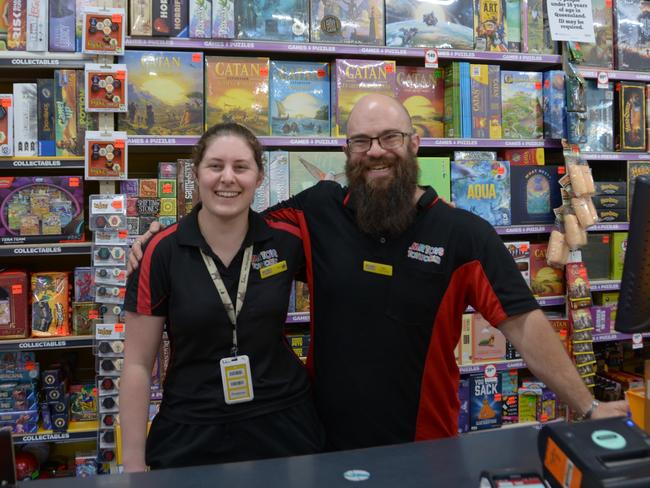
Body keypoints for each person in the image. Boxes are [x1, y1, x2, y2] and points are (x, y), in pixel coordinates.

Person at [130, 95, 628, 451]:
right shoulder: (315, 211)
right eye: (361, 141)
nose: (375, 151)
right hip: (319, 440)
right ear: (346, 152)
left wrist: (586, 408)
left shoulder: (464, 235)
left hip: (422, 447)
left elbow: (524, 323)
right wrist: (160, 239)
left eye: (389, 137)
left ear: (413, 144)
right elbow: (232, 221)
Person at [120, 123, 324, 472]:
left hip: (284, 422)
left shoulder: (287, 240)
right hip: (191, 427)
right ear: (196, 173)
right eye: (215, 166)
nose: (227, 178)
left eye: (241, 167)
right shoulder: (160, 251)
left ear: (259, 178)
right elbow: (137, 365)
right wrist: (133, 465)